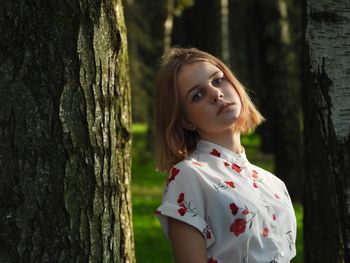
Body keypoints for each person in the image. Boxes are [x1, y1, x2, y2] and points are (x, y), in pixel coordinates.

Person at [154, 47, 296, 263]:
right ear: (186, 120)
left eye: (218, 80)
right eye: (198, 95)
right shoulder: (188, 177)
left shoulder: (274, 184)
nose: (215, 93)